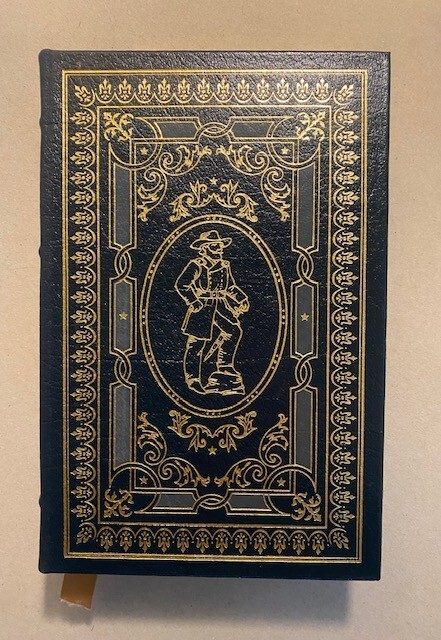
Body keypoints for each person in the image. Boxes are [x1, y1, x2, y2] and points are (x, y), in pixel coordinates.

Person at [175, 229, 249, 396]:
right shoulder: (197, 265)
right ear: (205, 248)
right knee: (197, 343)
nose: (220, 249)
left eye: (220, 246)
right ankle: (193, 379)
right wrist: (194, 301)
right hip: (202, 306)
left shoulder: (224, 265)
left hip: (221, 304)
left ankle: (224, 365)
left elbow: (230, 287)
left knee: (233, 331)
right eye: (215, 246)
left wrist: (241, 299)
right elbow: (182, 285)